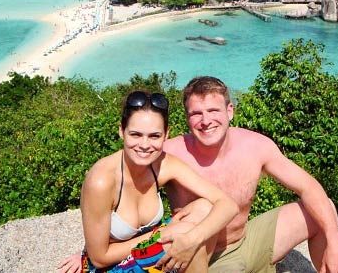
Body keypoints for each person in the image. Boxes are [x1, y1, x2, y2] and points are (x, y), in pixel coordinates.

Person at [163, 76, 338, 273]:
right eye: (196, 114)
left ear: (229, 111)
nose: (206, 121)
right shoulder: (171, 154)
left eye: (213, 111)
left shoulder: (254, 146)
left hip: (247, 241)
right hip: (202, 259)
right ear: (187, 118)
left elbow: (308, 186)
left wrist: (335, 240)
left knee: (322, 210)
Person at [57, 91, 238, 273]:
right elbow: (99, 258)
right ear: (122, 131)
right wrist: (161, 234)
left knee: (204, 209)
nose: (144, 145)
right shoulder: (102, 181)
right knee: (181, 234)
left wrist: (193, 238)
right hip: (110, 267)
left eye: (154, 136)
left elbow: (228, 205)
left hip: (145, 253)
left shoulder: (163, 164)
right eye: (136, 135)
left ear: (166, 134)